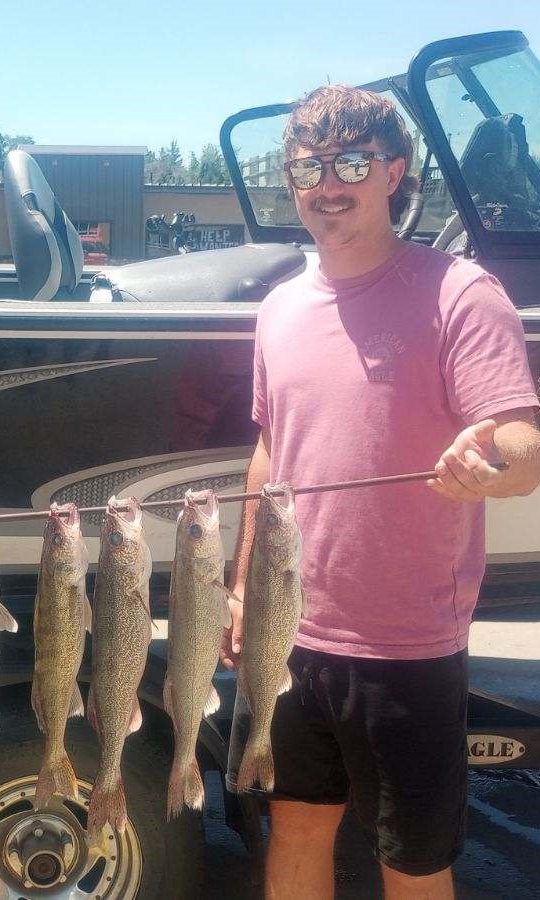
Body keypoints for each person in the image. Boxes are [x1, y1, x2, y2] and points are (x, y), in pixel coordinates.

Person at [224, 85, 540, 900]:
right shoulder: (279, 309)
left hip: (407, 645)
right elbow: (271, 451)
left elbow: (523, 445)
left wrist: (491, 465)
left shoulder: (461, 292)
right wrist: (242, 585)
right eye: (308, 168)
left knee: (412, 859)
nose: (327, 185)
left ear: (394, 172)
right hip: (290, 630)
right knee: (295, 827)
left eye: (352, 164)